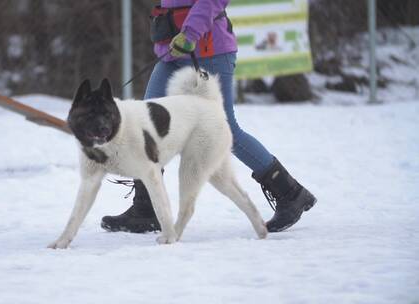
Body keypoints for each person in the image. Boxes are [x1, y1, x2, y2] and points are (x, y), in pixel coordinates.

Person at [101, 0, 316, 233]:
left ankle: (291, 193)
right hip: (172, 50)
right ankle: (146, 210)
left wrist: (190, 32)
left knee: (227, 129)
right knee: (147, 124)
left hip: (207, 48)